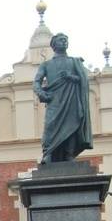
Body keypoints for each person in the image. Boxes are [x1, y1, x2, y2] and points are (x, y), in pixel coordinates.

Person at [33, 32, 92, 164]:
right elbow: (36, 81)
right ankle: (47, 153)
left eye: (66, 40)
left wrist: (71, 77)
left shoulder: (74, 62)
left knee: (71, 127)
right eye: (61, 40)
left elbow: (83, 80)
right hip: (54, 100)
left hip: (71, 99)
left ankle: (69, 155)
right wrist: (41, 93)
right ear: (54, 45)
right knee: (50, 126)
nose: (64, 42)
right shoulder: (46, 65)